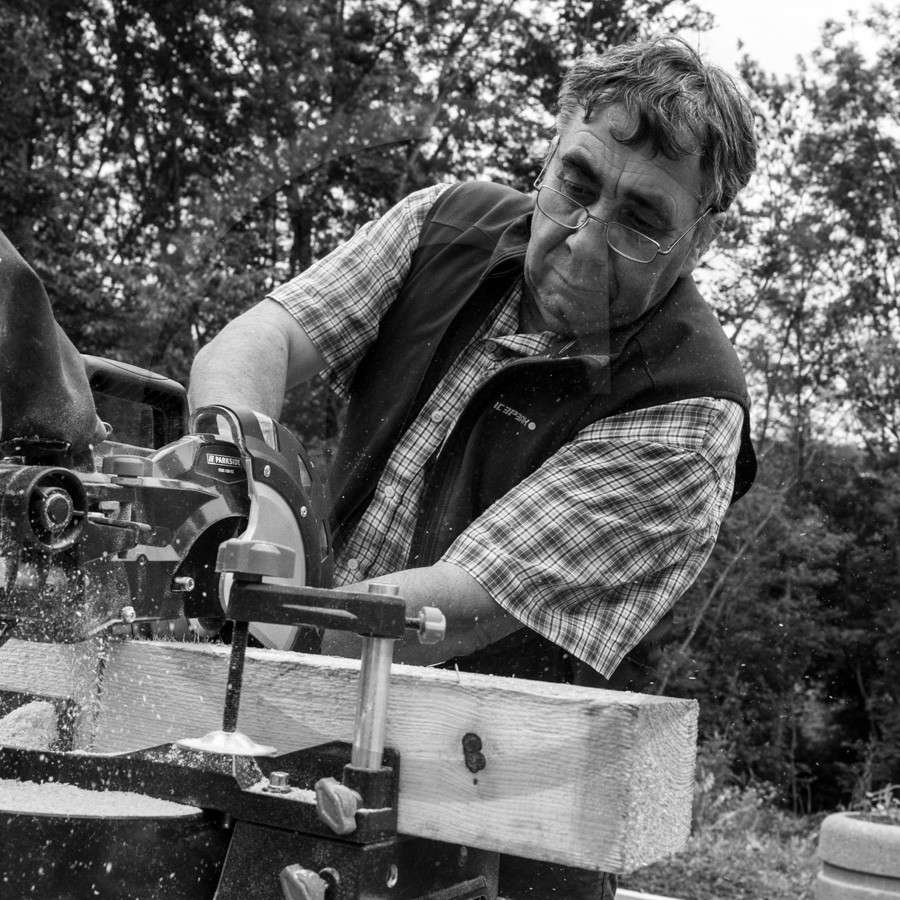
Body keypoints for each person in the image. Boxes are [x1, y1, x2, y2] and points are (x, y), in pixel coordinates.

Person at [188, 36, 758, 899]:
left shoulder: (687, 411)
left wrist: (251, 612)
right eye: (577, 184)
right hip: (297, 731)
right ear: (553, 144)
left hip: (492, 823)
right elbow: (257, 342)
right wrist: (240, 491)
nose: (588, 238)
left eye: (642, 219)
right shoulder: (441, 227)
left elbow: (446, 613)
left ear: (702, 237)